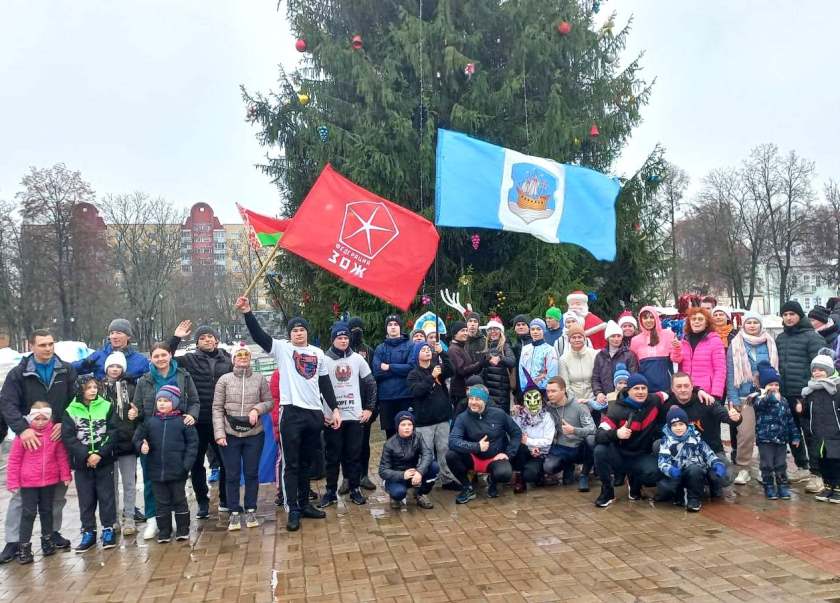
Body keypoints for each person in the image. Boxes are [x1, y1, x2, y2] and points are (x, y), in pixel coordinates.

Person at [235, 296, 340, 532]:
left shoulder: (318, 353)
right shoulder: (282, 349)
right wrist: (248, 312)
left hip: (314, 414)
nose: (298, 333)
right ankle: (292, 508)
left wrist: (334, 409)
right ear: (289, 334)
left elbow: (325, 383)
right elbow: (259, 336)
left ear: (307, 332)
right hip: (291, 413)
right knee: (291, 464)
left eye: (302, 330)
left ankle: (304, 504)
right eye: (294, 330)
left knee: (307, 463)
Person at [0, 329, 77, 563]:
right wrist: (22, 429)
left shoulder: (66, 370)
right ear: (31, 346)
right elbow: (7, 403)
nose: (48, 348)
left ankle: (51, 533)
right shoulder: (19, 374)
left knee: (57, 491)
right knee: (22, 497)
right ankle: (14, 541)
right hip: (30, 440)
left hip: (57, 438)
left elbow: (75, 400)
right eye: (42, 344)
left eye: (51, 344)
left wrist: (64, 423)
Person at [133, 343, 200, 540]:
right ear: (151, 358)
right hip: (152, 435)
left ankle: (179, 523)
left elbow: (194, 401)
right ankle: (153, 520)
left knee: (177, 489)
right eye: (156, 356)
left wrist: (192, 415)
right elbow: (138, 409)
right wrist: (134, 414)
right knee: (151, 483)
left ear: (170, 355)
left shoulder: (183, 376)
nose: (160, 359)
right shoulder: (144, 380)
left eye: (164, 355)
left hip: (177, 431)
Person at [168, 321, 233, 519]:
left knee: (226, 461)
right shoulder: (189, 359)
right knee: (197, 463)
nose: (207, 340)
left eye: (210, 336)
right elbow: (166, 358)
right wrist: (176, 338)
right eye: (202, 338)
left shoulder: (227, 360)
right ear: (197, 343)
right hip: (197, 419)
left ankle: (225, 499)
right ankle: (203, 502)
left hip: (220, 419)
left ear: (216, 340)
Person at [212, 343, 273, 530]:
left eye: (246, 354)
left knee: (251, 473)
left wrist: (257, 409)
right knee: (232, 474)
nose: (243, 358)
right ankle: (234, 512)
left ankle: (251, 508)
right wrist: (219, 433)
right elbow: (217, 408)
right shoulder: (224, 380)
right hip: (230, 434)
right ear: (233, 359)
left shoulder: (259, 379)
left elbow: (269, 402)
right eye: (239, 355)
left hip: (254, 434)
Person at [318, 322, 377, 508]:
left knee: (353, 455)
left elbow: (371, 383)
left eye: (346, 338)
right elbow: (314, 388)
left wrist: (369, 408)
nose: (343, 341)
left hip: (354, 416)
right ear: (333, 340)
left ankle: (355, 489)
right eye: (339, 338)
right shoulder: (323, 360)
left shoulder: (357, 359)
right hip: (332, 418)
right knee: (332, 456)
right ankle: (330, 491)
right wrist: (320, 412)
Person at [5, 402, 71, 564]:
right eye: (37, 419)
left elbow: (61, 456)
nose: (40, 422)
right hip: (29, 483)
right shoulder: (23, 435)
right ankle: (24, 546)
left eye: (44, 419)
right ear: (31, 418)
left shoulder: (54, 434)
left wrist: (65, 474)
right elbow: (14, 460)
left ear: (49, 418)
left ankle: (47, 540)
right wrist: (12, 481)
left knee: (47, 511)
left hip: (49, 480)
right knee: (28, 513)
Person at [62, 375, 118, 552]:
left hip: (104, 460)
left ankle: (108, 529)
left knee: (106, 497)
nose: (93, 390)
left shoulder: (107, 406)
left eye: (95, 387)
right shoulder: (71, 410)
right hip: (82, 463)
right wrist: (86, 455)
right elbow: (69, 437)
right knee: (86, 499)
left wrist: (99, 453)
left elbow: (113, 431)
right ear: (80, 390)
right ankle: (88, 531)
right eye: (88, 388)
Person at [593, 373, 664, 507]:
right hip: (619, 455)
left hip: (640, 455)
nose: (641, 392)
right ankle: (607, 491)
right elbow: (599, 435)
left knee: (655, 473)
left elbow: (674, 392)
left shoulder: (655, 400)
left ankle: (634, 481)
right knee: (600, 450)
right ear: (628, 390)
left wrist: (698, 391)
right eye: (636, 388)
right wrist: (617, 434)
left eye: (644, 388)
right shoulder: (616, 410)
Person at [664, 373, 741, 497]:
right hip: (682, 455)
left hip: (711, 451)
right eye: (678, 386)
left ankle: (711, 481)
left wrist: (735, 418)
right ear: (672, 389)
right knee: (658, 446)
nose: (683, 389)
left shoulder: (706, 400)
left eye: (686, 386)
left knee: (724, 477)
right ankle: (685, 483)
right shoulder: (667, 405)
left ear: (692, 386)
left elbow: (725, 417)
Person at [726, 311, 777, 487]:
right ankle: (744, 468)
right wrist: (733, 399)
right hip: (744, 395)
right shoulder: (735, 344)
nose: (752, 325)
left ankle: (765, 468)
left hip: (766, 395)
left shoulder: (769, 342)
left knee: (766, 433)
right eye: (749, 322)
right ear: (743, 325)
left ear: (760, 325)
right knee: (745, 434)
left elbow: (775, 370)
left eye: (755, 322)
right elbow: (731, 374)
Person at [446, 384, 521, 503]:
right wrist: (477, 446)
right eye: (471, 399)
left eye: (477, 399)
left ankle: (493, 482)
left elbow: (516, 432)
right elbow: (453, 441)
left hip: (494, 458)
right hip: (473, 457)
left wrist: (508, 453)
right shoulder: (462, 418)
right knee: (450, 455)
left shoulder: (499, 414)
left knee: (505, 473)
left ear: (485, 400)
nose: (473, 402)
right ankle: (467, 487)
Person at [776, 300, 824, 484]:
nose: (788, 318)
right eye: (785, 314)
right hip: (786, 393)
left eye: (792, 314)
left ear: (800, 315)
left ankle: (817, 472)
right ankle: (801, 466)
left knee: (811, 433)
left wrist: (812, 389)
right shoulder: (780, 338)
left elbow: (820, 367)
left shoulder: (812, 337)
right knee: (792, 432)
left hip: (806, 394)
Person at [406, 341, 459, 490]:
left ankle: (447, 479)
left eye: (428, 349)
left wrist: (442, 353)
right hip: (424, 422)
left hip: (442, 418)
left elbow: (451, 370)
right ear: (417, 355)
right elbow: (417, 391)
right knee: (426, 453)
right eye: (423, 349)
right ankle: (422, 481)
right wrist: (431, 377)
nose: (427, 351)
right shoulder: (413, 374)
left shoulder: (437, 368)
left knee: (444, 450)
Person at [655, 406, 727, 512]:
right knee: (665, 489)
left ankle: (694, 499)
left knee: (696, 470)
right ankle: (678, 494)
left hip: (696, 471)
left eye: (681, 424)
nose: (678, 428)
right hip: (677, 473)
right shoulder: (666, 442)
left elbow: (708, 454)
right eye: (674, 425)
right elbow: (662, 462)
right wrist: (670, 470)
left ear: (686, 424)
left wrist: (717, 463)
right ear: (669, 427)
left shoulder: (696, 438)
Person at [100, 351, 140, 535]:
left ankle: (129, 516)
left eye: (118, 366)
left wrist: (136, 414)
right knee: (110, 484)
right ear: (106, 368)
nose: (114, 369)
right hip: (107, 442)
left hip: (127, 441)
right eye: (111, 366)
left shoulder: (131, 387)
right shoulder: (98, 388)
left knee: (129, 483)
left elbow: (138, 409)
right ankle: (113, 518)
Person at [750, 362, 800, 500]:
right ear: (764, 386)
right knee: (766, 464)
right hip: (765, 439)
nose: (774, 387)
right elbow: (760, 404)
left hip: (781, 439)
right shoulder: (759, 398)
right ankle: (769, 486)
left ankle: (782, 486)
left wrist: (795, 436)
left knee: (781, 464)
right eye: (770, 385)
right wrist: (770, 397)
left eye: (776, 385)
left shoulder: (783, 400)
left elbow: (790, 419)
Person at [543, 376, 596, 491]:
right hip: (560, 447)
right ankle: (568, 466)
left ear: (563, 390)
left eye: (553, 391)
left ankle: (584, 475)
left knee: (592, 439)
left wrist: (574, 430)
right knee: (548, 467)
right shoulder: (548, 408)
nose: (550, 394)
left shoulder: (579, 405)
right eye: (548, 391)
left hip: (579, 447)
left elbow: (592, 429)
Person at [800, 350, 840, 502]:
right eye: (814, 370)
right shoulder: (810, 391)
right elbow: (807, 414)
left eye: (821, 370)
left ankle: (838, 489)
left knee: (835, 462)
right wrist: (801, 409)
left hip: (835, 434)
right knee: (823, 462)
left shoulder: (837, 388)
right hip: (818, 433)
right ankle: (828, 487)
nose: (817, 373)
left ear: (829, 371)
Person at [378, 411, 437, 509]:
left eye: (410, 424)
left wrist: (419, 472)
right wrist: (403, 475)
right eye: (403, 425)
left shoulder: (418, 437)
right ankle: (393, 495)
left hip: (414, 474)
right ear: (397, 427)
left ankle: (420, 494)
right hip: (397, 477)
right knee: (399, 493)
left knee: (434, 467)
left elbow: (427, 454)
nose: (407, 427)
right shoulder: (389, 444)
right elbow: (382, 471)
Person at [347, 316, 377, 492]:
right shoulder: (342, 351)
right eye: (353, 329)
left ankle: (364, 475)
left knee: (364, 443)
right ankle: (347, 478)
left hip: (364, 406)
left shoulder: (369, 351)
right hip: (346, 405)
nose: (356, 332)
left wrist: (372, 407)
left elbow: (373, 380)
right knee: (346, 444)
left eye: (359, 328)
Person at [372, 315, 414, 439]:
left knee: (407, 432)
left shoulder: (410, 346)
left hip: (406, 396)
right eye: (390, 325)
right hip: (386, 398)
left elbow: (411, 368)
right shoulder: (380, 348)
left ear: (400, 327)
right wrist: (400, 369)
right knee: (390, 435)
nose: (393, 327)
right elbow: (377, 372)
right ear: (386, 328)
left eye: (396, 324)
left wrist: (389, 367)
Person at [511, 377, 554, 493]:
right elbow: (515, 436)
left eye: (536, 398)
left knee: (530, 475)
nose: (533, 403)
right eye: (529, 399)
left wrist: (530, 443)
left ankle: (538, 475)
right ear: (524, 401)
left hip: (540, 453)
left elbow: (548, 440)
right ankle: (519, 478)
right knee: (519, 447)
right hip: (524, 452)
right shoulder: (519, 416)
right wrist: (512, 413)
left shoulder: (547, 417)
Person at [72, 319, 150, 381]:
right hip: (101, 396)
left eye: (118, 333)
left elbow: (148, 384)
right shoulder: (98, 356)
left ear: (128, 336)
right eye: (112, 333)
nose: (114, 337)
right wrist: (84, 363)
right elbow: (72, 369)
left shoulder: (141, 360)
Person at [678, 307, 726, 401]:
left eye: (700, 319)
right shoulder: (684, 341)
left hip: (707, 393)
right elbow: (680, 367)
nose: (696, 321)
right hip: (686, 391)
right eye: (693, 319)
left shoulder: (715, 341)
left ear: (706, 323)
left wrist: (716, 394)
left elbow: (720, 370)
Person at [630, 306, 681, 394]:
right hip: (645, 389)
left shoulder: (668, 334)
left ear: (656, 318)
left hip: (666, 387)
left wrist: (677, 348)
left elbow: (676, 360)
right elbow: (634, 366)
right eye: (645, 318)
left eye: (651, 317)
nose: (648, 320)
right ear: (640, 320)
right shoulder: (635, 340)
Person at [592, 321, 639, 406]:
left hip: (625, 398)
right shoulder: (600, 356)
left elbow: (633, 376)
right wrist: (598, 393)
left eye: (619, 336)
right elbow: (595, 378)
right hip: (605, 399)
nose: (616, 339)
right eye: (613, 336)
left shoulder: (629, 355)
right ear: (607, 338)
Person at [448, 320, 485, 414]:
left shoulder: (461, 347)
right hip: (459, 392)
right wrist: (479, 364)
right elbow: (461, 370)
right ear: (455, 334)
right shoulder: (453, 349)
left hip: (466, 389)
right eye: (462, 331)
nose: (465, 333)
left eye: (466, 330)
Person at [480, 319, 516, 412]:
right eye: (490, 329)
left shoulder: (505, 346)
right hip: (488, 390)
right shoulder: (486, 346)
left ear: (501, 331)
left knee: (500, 415)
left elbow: (512, 361)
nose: (493, 332)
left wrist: (500, 358)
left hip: (501, 391)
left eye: (496, 329)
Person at [558, 323, 598, 404]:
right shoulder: (563, 359)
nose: (577, 340)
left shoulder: (594, 355)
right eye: (573, 337)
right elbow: (565, 385)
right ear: (569, 340)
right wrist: (575, 401)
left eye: (579, 337)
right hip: (574, 401)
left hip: (594, 399)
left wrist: (592, 399)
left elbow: (598, 379)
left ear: (584, 338)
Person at [518, 319, 559, 393]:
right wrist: (524, 388)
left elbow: (552, 372)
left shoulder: (550, 350)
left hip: (543, 390)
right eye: (533, 329)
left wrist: (543, 387)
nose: (535, 332)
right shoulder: (525, 349)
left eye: (538, 329)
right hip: (527, 390)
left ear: (544, 331)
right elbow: (521, 370)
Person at [510, 314, 532, 404]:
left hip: (533, 386)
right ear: (514, 328)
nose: (521, 327)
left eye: (523, 324)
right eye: (518, 325)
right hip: (518, 387)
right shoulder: (514, 345)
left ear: (529, 327)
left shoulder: (534, 343)